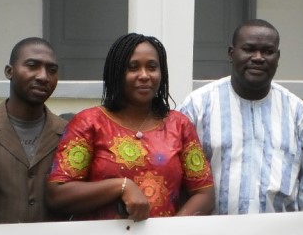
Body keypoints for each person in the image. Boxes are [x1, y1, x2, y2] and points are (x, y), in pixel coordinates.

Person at [46, 32, 214, 221]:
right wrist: (121, 186)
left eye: (152, 67)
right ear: (117, 72)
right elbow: (57, 194)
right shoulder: (89, 122)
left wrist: (171, 229)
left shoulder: (179, 125)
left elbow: (204, 193)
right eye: (133, 67)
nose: (144, 75)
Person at [178, 19, 303, 214]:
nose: (258, 58)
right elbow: (175, 182)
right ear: (231, 54)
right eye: (249, 49)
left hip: (282, 232)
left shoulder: (301, 116)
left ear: (278, 57)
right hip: (210, 232)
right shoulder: (197, 107)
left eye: (268, 51)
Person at [0, 37, 67, 223]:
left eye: (51, 70)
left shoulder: (69, 134)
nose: (43, 76)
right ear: (9, 71)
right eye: (32, 66)